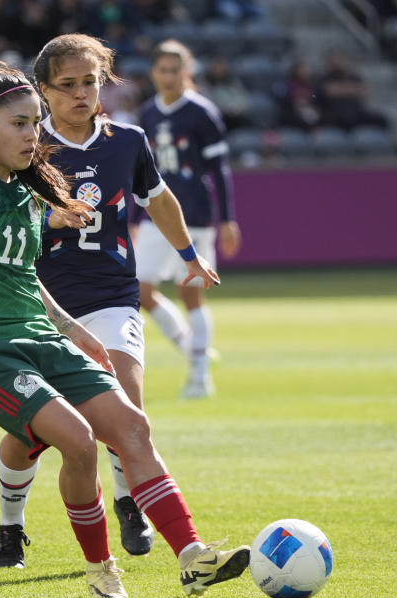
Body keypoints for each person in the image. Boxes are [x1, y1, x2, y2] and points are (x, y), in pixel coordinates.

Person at [0, 61, 249, 598]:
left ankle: (194, 557)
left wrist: (72, 328)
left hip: (42, 336)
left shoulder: (29, 187)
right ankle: (101, 570)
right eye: (20, 124)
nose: (33, 135)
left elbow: (24, 274)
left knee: (132, 425)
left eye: (34, 123)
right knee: (76, 439)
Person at [0, 34, 249, 595]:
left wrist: (189, 255)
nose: (82, 94)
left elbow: (160, 200)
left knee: (127, 405)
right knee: (28, 436)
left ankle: (132, 503)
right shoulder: (23, 146)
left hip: (110, 294)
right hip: (39, 303)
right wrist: (51, 223)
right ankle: (10, 525)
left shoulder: (127, 141)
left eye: (91, 83)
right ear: (43, 92)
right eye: (68, 85)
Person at [136, 39, 242, 399]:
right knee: (139, 289)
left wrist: (227, 219)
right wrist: (136, 216)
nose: (168, 76)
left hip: (193, 213)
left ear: (187, 72)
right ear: (153, 73)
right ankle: (193, 350)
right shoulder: (148, 113)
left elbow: (219, 169)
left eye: (175, 70)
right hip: (154, 215)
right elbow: (141, 173)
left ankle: (200, 378)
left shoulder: (201, 112)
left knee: (190, 292)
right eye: (162, 70)